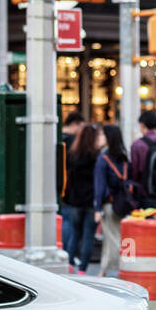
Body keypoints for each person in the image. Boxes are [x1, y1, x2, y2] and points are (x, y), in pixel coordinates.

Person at [93, 123, 133, 277]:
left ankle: (123, 269)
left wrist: (97, 208)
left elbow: (100, 185)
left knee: (113, 239)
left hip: (110, 205)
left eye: (102, 135)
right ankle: (103, 271)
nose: (99, 138)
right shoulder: (125, 156)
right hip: (125, 204)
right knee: (124, 238)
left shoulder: (103, 158)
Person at [64, 122, 103, 273]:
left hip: (75, 200)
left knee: (75, 233)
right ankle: (82, 269)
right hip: (91, 201)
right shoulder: (97, 156)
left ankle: (70, 263)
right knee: (88, 236)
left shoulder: (73, 155)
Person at [61, 109, 85, 255]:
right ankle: (67, 253)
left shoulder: (55, 135)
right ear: (75, 124)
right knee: (68, 221)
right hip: (69, 187)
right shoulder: (73, 142)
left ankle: (65, 250)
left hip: (57, 185)